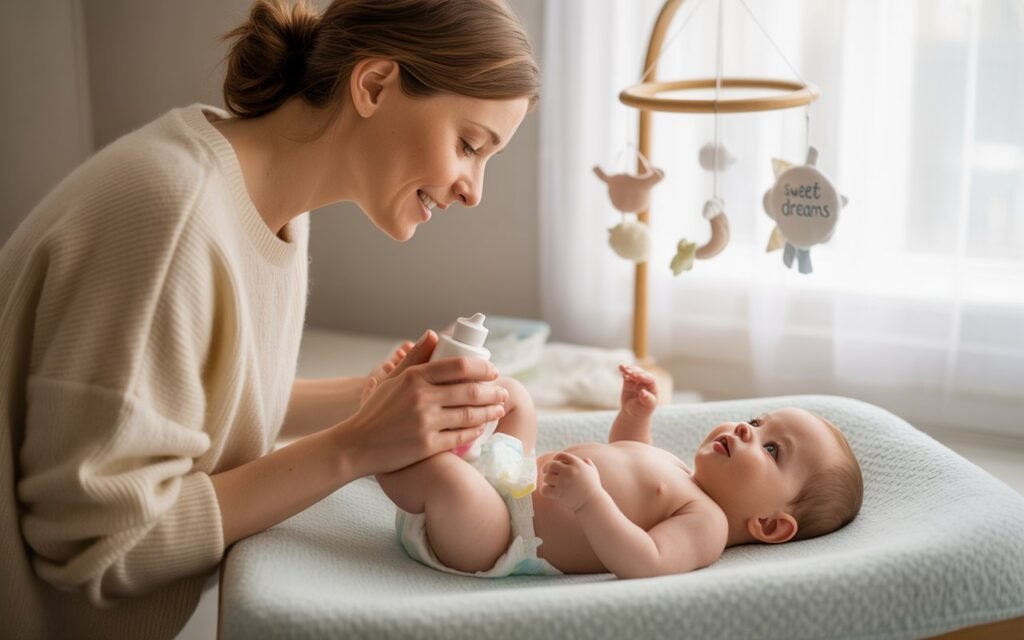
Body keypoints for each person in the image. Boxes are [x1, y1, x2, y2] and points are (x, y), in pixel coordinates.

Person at [0, 0, 538, 637]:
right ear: (373, 85)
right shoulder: (173, 215)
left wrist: (372, 404)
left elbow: (194, 405)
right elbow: (95, 546)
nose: (474, 190)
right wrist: (353, 447)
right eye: (469, 145)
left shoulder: (268, 201)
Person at [378, 365, 864, 578]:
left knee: (449, 481)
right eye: (757, 421)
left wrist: (590, 501)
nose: (745, 428)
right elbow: (628, 456)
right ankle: (421, 402)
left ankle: (380, 450)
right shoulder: (683, 474)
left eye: (772, 448)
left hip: (502, 533)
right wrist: (636, 416)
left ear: (771, 524)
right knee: (514, 398)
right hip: (513, 476)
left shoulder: (708, 526)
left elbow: (645, 559)